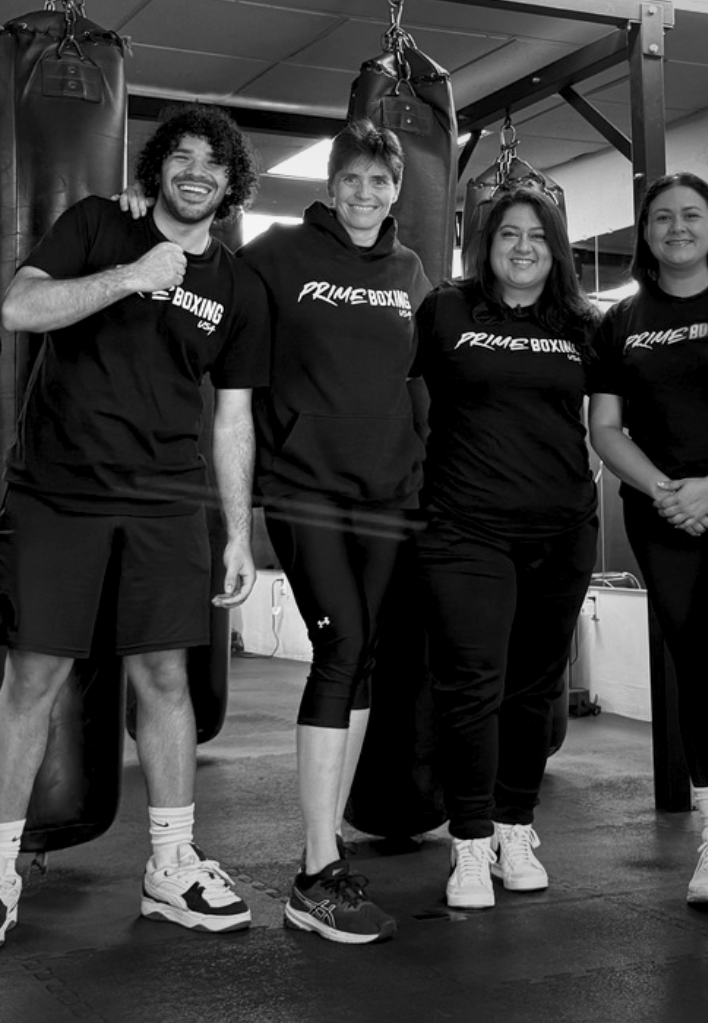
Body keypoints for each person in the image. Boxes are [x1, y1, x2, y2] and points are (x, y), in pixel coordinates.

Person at [0, 106, 262, 948]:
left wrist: (234, 534)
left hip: (165, 501)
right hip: (57, 493)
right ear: (159, 169)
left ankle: (170, 866)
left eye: (213, 165)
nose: (197, 172)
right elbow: (19, 310)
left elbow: (232, 420)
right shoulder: (95, 224)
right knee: (33, 680)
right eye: (182, 158)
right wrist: (127, 276)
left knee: (165, 679)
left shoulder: (237, 286)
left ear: (229, 186)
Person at [235, 119, 429, 944]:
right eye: (352, 178)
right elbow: (225, 331)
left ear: (397, 189)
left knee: (367, 654)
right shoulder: (276, 254)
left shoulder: (411, 269)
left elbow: (421, 379)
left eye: (380, 181)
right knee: (342, 644)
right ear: (330, 182)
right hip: (306, 487)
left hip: (389, 491)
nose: (365, 194)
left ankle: (329, 846)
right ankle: (316, 872)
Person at [412, 187, 599, 910]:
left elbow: (613, 416)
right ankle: (468, 843)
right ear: (485, 244)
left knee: (533, 687)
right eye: (508, 234)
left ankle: (515, 828)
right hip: (465, 529)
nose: (523, 247)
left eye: (538, 236)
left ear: (556, 250)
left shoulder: (583, 324)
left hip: (562, 530)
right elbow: (391, 391)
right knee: (472, 685)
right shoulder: (447, 310)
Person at [589, 172, 708, 915]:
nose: (678, 227)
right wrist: (667, 491)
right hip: (662, 518)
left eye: (692, 215)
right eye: (662, 217)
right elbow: (605, 429)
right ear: (646, 233)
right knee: (694, 670)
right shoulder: (621, 320)